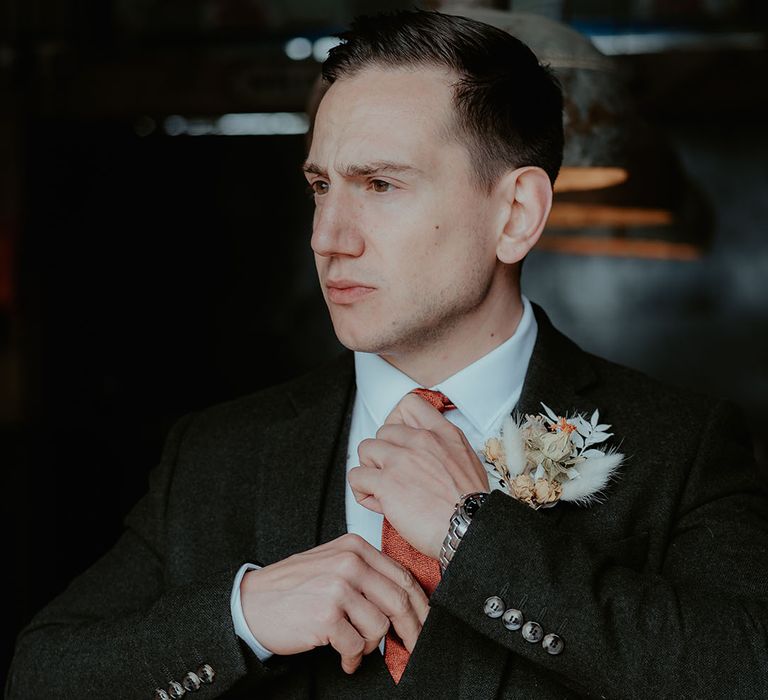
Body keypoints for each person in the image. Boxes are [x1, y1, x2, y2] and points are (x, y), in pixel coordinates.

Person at [7, 10, 768, 700]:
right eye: (319, 186)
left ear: (516, 213)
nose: (328, 235)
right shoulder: (216, 455)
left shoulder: (685, 449)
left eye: (378, 183)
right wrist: (242, 615)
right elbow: (40, 677)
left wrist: (481, 539)